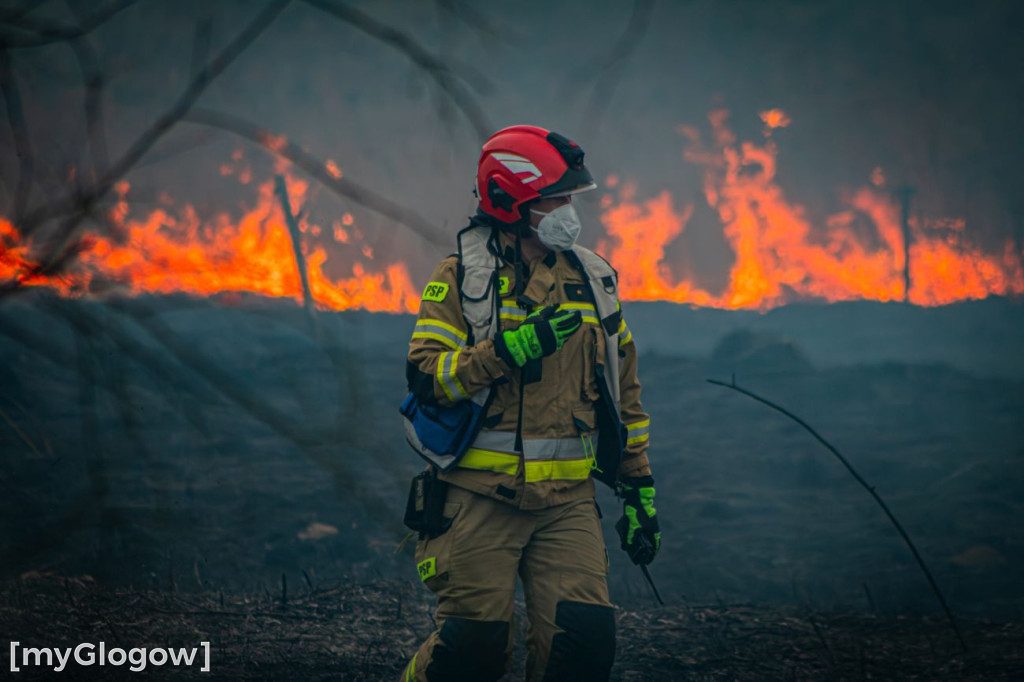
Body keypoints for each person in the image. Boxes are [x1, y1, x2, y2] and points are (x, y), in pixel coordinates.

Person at [399, 125, 660, 682]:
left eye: (570, 198)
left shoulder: (594, 281)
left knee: (583, 650)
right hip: (477, 500)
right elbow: (428, 378)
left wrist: (638, 487)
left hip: (567, 503)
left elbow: (624, 393)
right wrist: (504, 352)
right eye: (555, 199)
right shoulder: (462, 278)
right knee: (469, 654)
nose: (569, 210)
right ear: (511, 201)